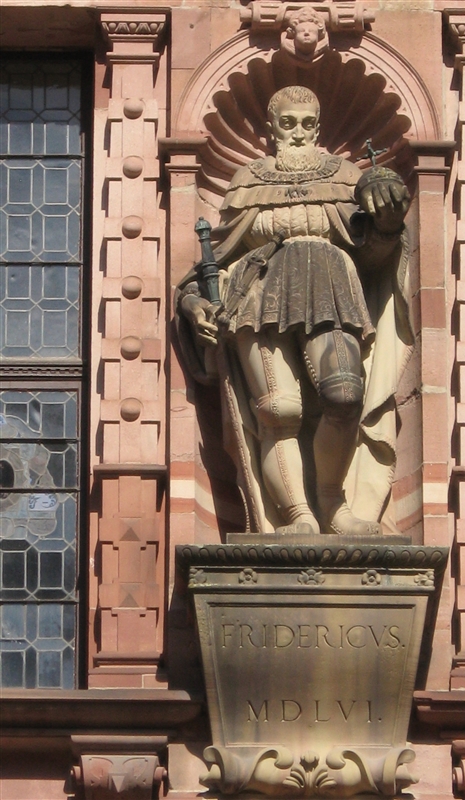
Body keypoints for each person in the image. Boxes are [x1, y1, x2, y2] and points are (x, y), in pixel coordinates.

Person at [176, 86, 413, 535]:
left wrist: (387, 220)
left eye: (306, 124)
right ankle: (296, 516)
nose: (298, 133)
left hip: (332, 288)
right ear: (273, 127)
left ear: (318, 127)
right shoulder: (248, 179)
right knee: (278, 410)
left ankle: (333, 503)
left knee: (345, 396)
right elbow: (216, 260)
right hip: (257, 294)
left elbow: (374, 256)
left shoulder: (345, 175)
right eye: (288, 123)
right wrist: (193, 303)